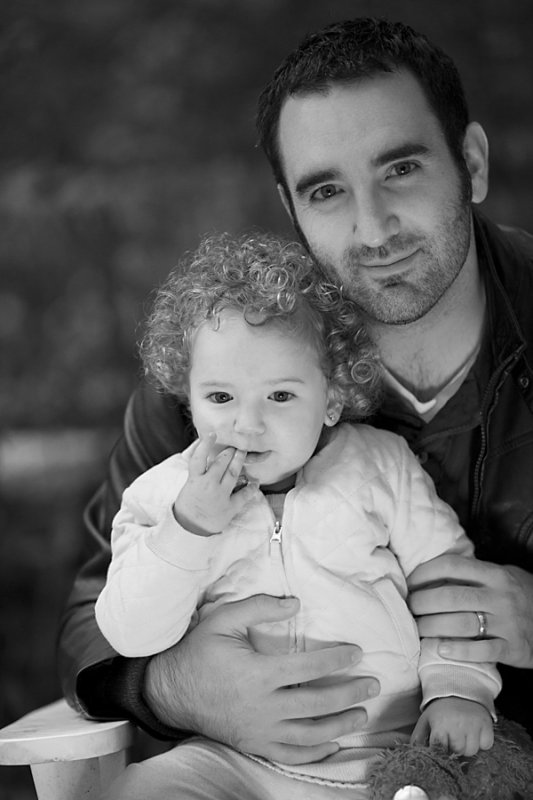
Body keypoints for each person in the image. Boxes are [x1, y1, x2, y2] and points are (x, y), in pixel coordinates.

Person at [57, 15, 533, 772]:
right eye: (325, 191)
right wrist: (176, 686)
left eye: (400, 169)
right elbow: (92, 616)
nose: (371, 227)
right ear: (289, 207)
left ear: (470, 162)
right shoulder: (220, 370)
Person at [96, 231, 498, 796]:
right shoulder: (161, 499)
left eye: (281, 396)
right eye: (220, 398)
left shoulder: (381, 468)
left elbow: (449, 581)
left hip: (391, 753)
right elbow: (130, 634)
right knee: (142, 790)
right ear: (188, 397)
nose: (248, 424)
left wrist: (458, 689)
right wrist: (189, 528)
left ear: (330, 397)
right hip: (235, 760)